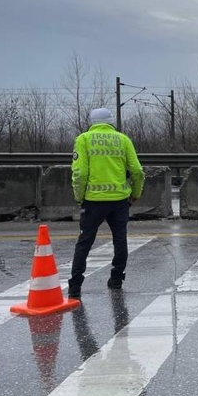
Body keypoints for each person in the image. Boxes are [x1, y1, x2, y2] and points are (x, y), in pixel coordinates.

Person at [68, 108, 145, 299]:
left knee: (85, 241)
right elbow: (137, 171)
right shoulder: (123, 139)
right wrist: (135, 193)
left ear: (92, 122)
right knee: (120, 239)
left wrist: (79, 196)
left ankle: (75, 286)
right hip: (119, 200)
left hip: (93, 201)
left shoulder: (83, 139)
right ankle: (116, 279)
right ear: (111, 122)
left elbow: (80, 173)